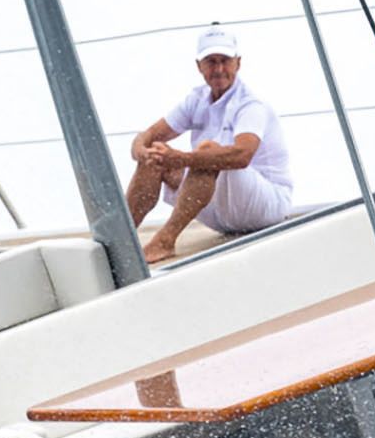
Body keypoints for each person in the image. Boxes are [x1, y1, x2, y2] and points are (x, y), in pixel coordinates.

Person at [125, 26, 293, 263]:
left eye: (225, 60)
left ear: (238, 63)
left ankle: (165, 241)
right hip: (222, 214)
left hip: (266, 206)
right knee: (155, 156)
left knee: (206, 152)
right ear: (199, 66)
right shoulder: (196, 99)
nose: (219, 69)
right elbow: (148, 136)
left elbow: (242, 156)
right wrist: (142, 152)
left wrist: (182, 158)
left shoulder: (250, 104)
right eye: (211, 62)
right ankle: (119, 241)